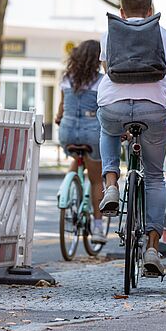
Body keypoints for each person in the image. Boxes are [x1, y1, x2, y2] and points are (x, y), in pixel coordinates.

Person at [97, 0, 166, 276]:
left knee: (108, 130)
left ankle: (112, 183)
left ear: (121, 11)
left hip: (113, 106)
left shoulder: (109, 33)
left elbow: (109, 71)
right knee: (154, 177)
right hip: (153, 110)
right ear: (151, 11)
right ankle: (153, 248)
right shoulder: (164, 35)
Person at [55, 39, 106, 243]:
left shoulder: (66, 79)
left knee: (76, 157)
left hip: (67, 133)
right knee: (96, 180)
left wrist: (61, 119)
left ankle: (64, 190)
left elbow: (61, 109)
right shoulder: (102, 82)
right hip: (91, 134)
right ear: (97, 59)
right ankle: (99, 228)